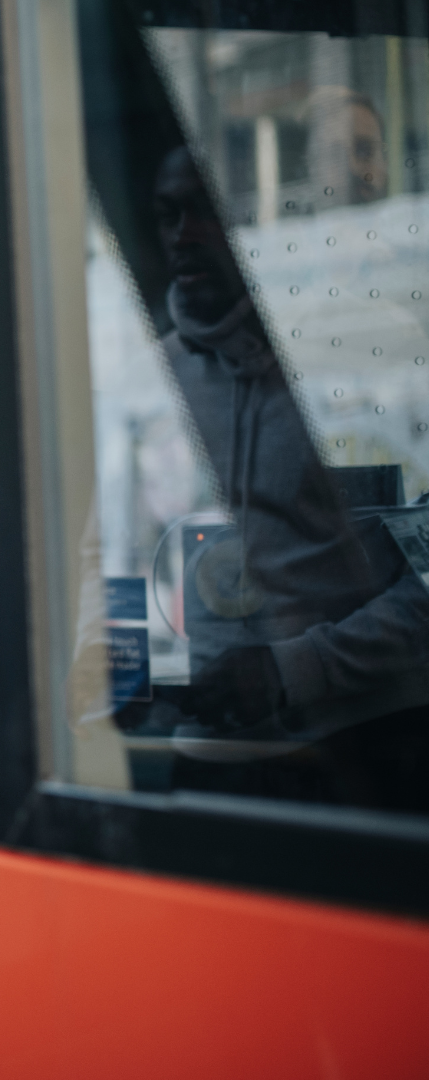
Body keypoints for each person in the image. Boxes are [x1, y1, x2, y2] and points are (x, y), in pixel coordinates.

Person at [147, 146, 429, 811]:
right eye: (167, 215)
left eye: (204, 214)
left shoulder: (375, 359)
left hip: (367, 753)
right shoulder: (150, 377)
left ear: (257, 221)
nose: (182, 235)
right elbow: (100, 558)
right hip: (203, 762)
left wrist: (294, 670)